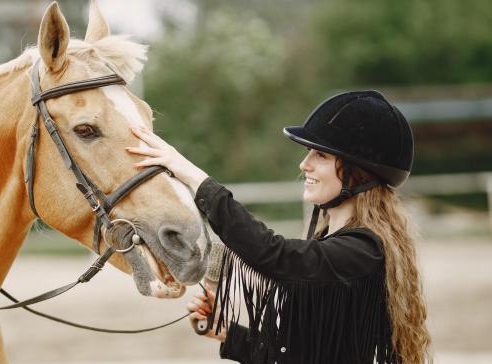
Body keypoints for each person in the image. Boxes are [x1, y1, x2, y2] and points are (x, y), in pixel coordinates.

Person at [126, 90, 431, 364]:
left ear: (357, 174)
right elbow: (296, 355)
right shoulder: (331, 242)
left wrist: (195, 179)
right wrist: (227, 333)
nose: (304, 164)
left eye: (320, 155)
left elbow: (276, 256)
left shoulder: (364, 250)